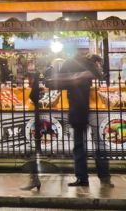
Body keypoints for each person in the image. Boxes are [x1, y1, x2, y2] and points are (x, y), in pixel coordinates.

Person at [53, 51, 112, 187]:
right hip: (92, 107)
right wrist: (80, 77)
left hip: (78, 108)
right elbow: (100, 75)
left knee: (80, 145)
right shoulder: (87, 63)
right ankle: (104, 177)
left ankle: (83, 178)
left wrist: (72, 79)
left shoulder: (70, 63)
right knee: (99, 145)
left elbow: (58, 82)